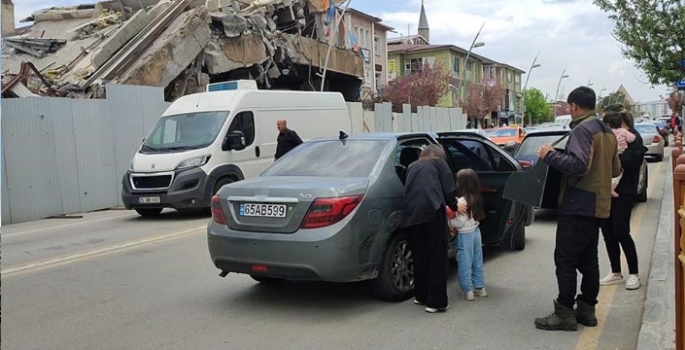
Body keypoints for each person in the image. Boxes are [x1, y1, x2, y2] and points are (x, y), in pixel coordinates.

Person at [534, 86, 621, 331]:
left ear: (574, 106)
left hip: (578, 204)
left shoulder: (582, 130)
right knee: (588, 259)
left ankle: (564, 312)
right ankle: (587, 311)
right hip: (599, 204)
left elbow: (579, 165)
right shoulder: (607, 131)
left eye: (568, 107)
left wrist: (549, 155)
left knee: (565, 259)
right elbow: (615, 170)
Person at [402, 145, 458, 313]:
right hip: (432, 212)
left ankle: (421, 295)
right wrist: (456, 206)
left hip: (411, 215)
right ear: (439, 155)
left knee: (420, 256)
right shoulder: (439, 163)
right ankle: (436, 302)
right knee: (437, 256)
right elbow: (449, 190)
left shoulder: (412, 166)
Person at [599, 105, 646, 291]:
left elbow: (632, 161)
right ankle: (616, 272)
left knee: (622, 232)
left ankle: (634, 273)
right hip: (605, 192)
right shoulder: (609, 138)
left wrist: (612, 157)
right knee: (608, 233)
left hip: (624, 192)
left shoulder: (633, 137)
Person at [448, 169, 487, 301]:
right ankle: (480, 287)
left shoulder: (461, 201)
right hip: (476, 232)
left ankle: (468, 290)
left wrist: (448, 223)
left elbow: (460, 222)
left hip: (465, 236)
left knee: (464, 262)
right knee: (477, 260)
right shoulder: (477, 197)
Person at [603, 112, 635, 198]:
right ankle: (611, 188)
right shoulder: (623, 131)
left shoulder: (606, 133)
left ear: (607, 124)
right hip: (620, 153)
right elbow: (632, 138)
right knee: (618, 173)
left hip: (607, 154)